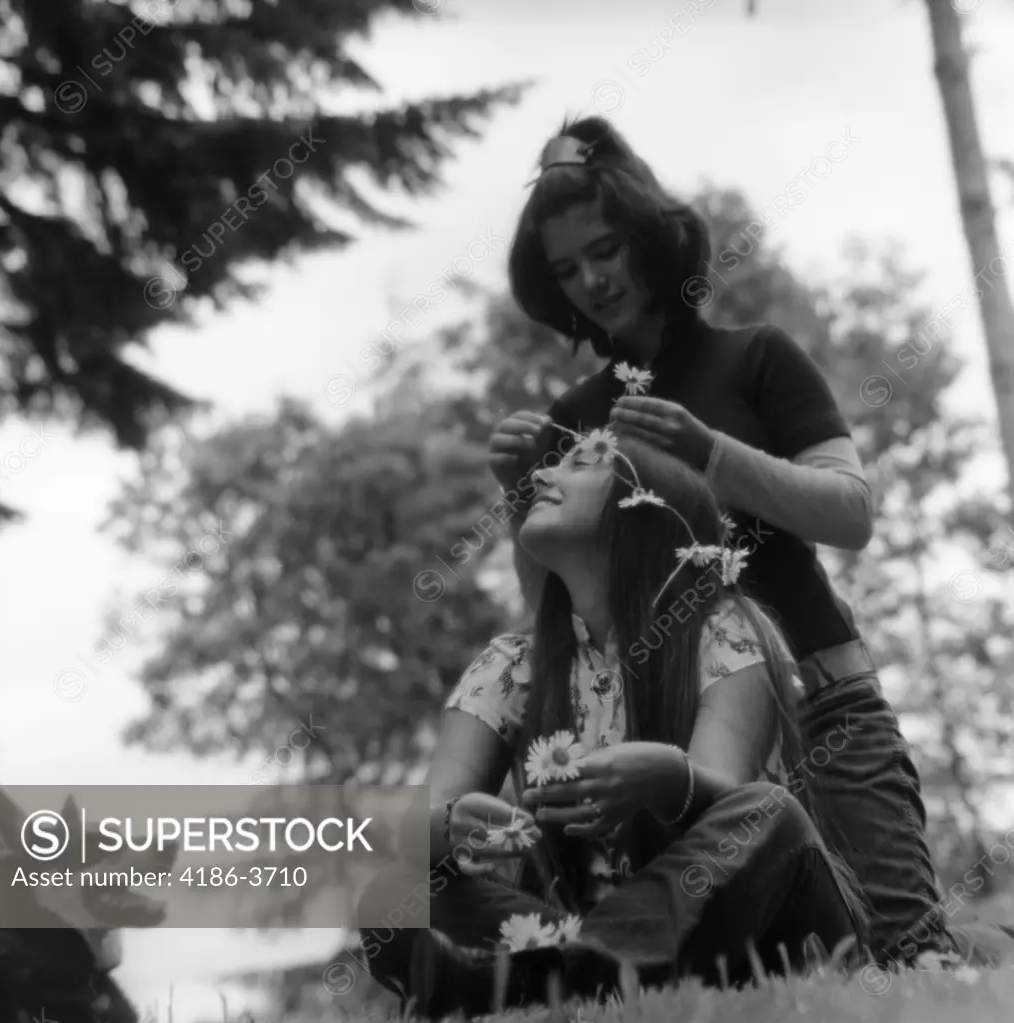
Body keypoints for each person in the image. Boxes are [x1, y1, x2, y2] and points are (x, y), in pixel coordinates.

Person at [489, 115, 951, 965]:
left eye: (604, 250)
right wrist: (518, 493)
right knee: (768, 969)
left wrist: (709, 453)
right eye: (565, 269)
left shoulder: (756, 358)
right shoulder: (571, 420)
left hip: (822, 703)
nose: (590, 280)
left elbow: (848, 510)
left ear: (648, 238)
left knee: (909, 951)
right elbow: (553, 600)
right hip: (686, 734)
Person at [359, 430, 867, 1019]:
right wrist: (451, 824)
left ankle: (538, 984)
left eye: (579, 465)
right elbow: (414, 830)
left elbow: (730, 794)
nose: (543, 477)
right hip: (595, 937)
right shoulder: (510, 666)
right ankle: (584, 974)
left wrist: (670, 778)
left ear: (643, 505)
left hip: (749, 927)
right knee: (392, 894)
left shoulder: (723, 629)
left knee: (767, 812)